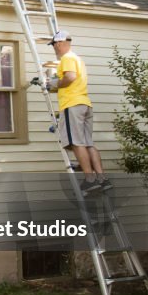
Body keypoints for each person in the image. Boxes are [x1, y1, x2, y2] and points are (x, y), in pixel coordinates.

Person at [45, 30, 112, 195]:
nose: (54, 48)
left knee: (76, 142)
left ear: (60, 43)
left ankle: (90, 180)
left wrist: (53, 84)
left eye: (54, 45)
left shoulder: (67, 58)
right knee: (88, 143)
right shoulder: (77, 58)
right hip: (84, 104)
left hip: (72, 104)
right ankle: (102, 179)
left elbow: (70, 77)